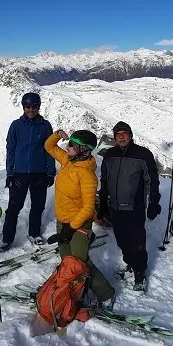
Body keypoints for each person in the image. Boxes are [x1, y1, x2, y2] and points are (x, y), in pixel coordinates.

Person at [44, 129, 115, 306]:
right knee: (67, 260)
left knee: (79, 262)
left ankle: (105, 294)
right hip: (63, 221)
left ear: (83, 149)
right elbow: (48, 146)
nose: (67, 147)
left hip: (80, 224)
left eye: (72, 145)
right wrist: (58, 134)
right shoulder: (67, 161)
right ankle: (75, 291)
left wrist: (71, 228)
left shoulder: (87, 176)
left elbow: (88, 208)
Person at [97, 121, 161, 291]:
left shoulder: (142, 155)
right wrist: (103, 204)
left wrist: (154, 202)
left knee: (137, 241)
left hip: (135, 207)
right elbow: (104, 181)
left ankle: (140, 272)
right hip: (115, 207)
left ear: (130, 135)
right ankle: (130, 263)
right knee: (122, 239)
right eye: (118, 134)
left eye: (124, 133)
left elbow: (152, 180)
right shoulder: (109, 155)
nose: (121, 137)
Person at [1, 92, 56, 250]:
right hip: (19, 174)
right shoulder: (16, 126)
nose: (30, 109)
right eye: (27, 106)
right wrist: (9, 173)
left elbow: (49, 150)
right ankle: (7, 238)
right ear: (23, 107)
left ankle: (34, 233)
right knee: (14, 208)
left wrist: (50, 172)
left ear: (38, 107)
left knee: (38, 206)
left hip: (39, 173)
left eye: (34, 106)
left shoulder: (45, 126)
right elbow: (10, 149)